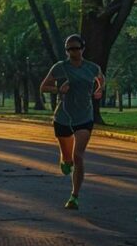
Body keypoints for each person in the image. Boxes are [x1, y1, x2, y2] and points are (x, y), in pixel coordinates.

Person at [40, 34, 104, 210]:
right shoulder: (60, 67)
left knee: (78, 156)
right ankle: (65, 160)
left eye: (75, 48)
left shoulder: (92, 68)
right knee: (68, 159)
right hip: (63, 117)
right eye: (69, 49)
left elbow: (101, 79)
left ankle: (74, 196)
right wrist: (58, 89)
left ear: (82, 48)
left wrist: (99, 90)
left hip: (84, 117)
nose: (72, 52)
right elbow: (43, 86)